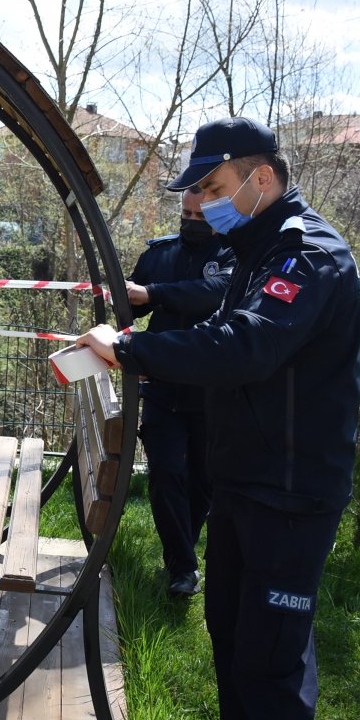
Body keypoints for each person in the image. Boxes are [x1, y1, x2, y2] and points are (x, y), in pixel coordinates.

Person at [77, 116, 360, 720]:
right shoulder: (256, 250)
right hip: (243, 482)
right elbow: (219, 339)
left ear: (261, 177)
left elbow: (245, 346)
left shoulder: (309, 254)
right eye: (197, 192)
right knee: (232, 642)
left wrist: (131, 350)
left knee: (270, 665)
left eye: (212, 188)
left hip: (289, 496)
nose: (202, 205)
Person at [127, 187, 233, 596]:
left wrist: (154, 293)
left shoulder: (231, 254)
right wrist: (119, 294)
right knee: (167, 472)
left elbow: (214, 294)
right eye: (185, 214)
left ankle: (181, 555)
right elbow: (130, 304)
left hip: (210, 392)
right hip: (162, 387)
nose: (191, 222)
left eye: (200, 216)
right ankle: (182, 568)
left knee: (203, 480)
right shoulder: (160, 254)